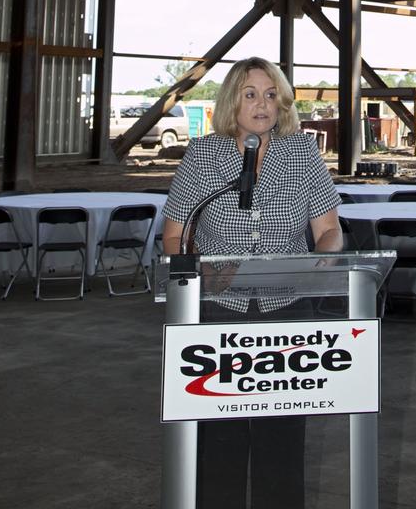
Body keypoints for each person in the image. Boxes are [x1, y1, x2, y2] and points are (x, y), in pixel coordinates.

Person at [161, 56, 342, 509]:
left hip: (289, 313)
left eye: (270, 94)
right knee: (217, 439)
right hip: (218, 314)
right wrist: (201, 267)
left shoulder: (302, 152)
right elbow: (174, 234)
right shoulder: (203, 155)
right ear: (231, 102)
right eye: (250, 94)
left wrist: (322, 262)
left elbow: (328, 230)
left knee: (282, 442)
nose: (262, 104)